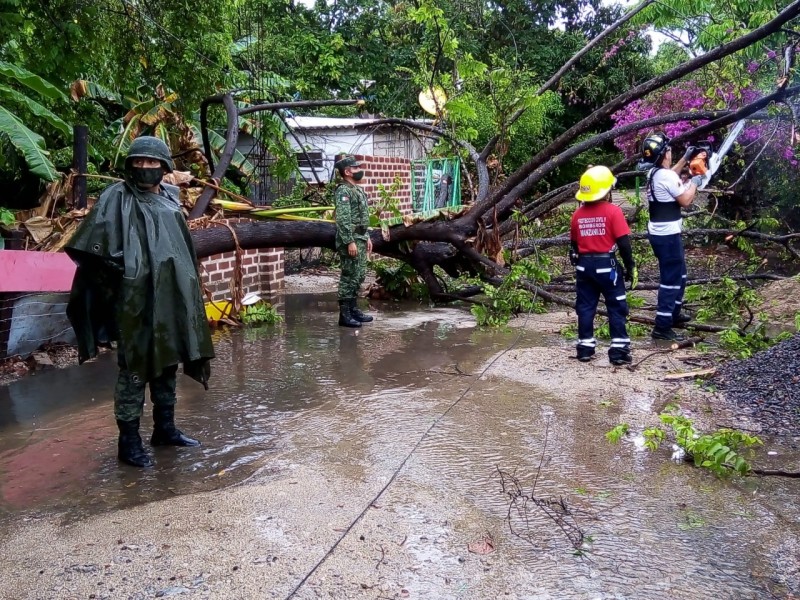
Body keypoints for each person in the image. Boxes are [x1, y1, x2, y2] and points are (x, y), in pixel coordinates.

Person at [65, 136, 215, 468]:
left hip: (170, 294)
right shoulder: (115, 197)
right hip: (134, 298)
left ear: (164, 166)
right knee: (135, 368)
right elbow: (91, 247)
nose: (145, 168)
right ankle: (128, 442)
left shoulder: (171, 199)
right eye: (138, 162)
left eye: (152, 163)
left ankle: (165, 429)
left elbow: (179, 249)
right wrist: (123, 275)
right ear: (130, 165)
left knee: (167, 360)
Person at [570, 165, 636, 366]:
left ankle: (585, 348)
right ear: (607, 190)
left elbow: (573, 245)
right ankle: (618, 350)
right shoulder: (613, 212)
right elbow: (624, 243)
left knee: (585, 306)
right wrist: (630, 267)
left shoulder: (577, 215)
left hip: (584, 267)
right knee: (616, 306)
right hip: (606, 266)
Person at [641, 131, 702, 341]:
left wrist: (686, 158)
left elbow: (671, 175)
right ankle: (662, 326)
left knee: (680, 273)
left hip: (661, 233)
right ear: (664, 153)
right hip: (667, 235)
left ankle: (673, 314)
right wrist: (696, 180)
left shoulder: (655, 173)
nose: (670, 151)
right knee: (671, 279)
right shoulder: (664, 176)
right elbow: (685, 200)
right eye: (668, 149)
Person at [333, 155, 374, 328]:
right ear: (347, 172)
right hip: (350, 238)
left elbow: (362, 218)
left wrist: (367, 237)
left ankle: (353, 309)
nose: (360, 171)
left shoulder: (357, 189)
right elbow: (343, 219)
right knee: (349, 275)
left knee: (359, 275)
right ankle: (345, 314)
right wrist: (349, 241)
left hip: (361, 237)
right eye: (356, 168)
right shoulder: (343, 190)